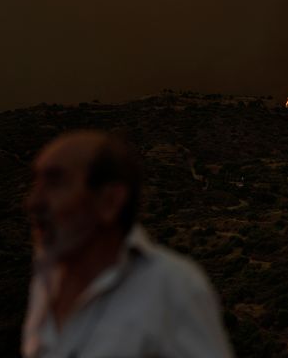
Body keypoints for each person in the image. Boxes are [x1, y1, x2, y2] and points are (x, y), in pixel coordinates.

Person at [22, 130, 234, 358]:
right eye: (36, 182)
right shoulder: (45, 283)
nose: (33, 202)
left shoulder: (173, 287)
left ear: (110, 201)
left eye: (55, 182)